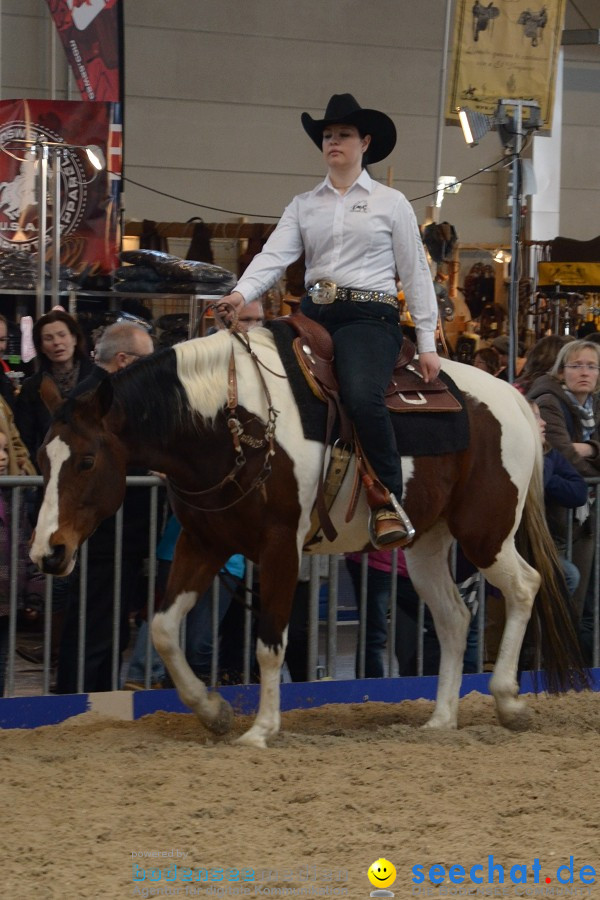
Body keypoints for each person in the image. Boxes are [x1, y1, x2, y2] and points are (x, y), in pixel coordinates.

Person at [218, 93, 440, 547]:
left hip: (370, 315)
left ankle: (388, 500)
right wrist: (239, 294)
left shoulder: (391, 202)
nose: (333, 141)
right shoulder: (304, 204)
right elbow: (274, 255)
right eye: (327, 135)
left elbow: (415, 270)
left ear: (365, 142)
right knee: (258, 372)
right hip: (313, 312)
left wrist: (428, 341)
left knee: (361, 394)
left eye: (343, 134)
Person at [55, 322, 156, 694]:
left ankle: (98, 702)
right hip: (103, 535)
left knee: (110, 630)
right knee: (94, 631)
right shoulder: (94, 400)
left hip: (116, 535)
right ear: (125, 359)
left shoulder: (105, 395)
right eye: (148, 360)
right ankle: (75, 703)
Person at [527, 339, 600, 619]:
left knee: (579, 600)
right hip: (551, 517)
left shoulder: (596, 404)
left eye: (591, 366)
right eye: (577, 365)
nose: (585, 372)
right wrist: (590, 455)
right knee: (554, 597)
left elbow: (573, 458)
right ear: (561, 372)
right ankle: (541, 659)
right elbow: (563, 456)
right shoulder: (547, 401)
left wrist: (589, 448)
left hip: (584, 518)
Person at [15, 309, 94, 466]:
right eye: (48, 338)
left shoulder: (97, 380)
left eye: (62, 335)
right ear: (42, 347)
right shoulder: (32, 388)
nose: (57, 342)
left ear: (74, 338)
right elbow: (25, 437)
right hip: (48, 470)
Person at [531, 401, 588, 597]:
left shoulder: (549, 454)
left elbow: (579, 492)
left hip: (543, 541)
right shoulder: (511, 452)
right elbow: (536, 484)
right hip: (516, 542)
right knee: (568, 575)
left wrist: (551, 476)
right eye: (536, 416)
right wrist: (546, 471)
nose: (544, 423)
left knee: (569, 575)